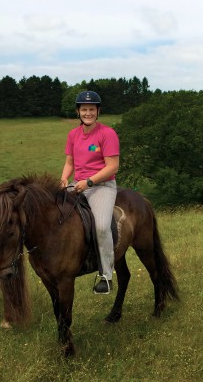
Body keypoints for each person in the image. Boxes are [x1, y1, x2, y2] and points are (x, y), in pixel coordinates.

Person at [60, 90, 119, 294]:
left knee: (102, 226)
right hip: (78, 183)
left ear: (98, 111)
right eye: (84, 109)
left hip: (102, 186)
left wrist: (90, 181)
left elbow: (112, 167)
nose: (88, 113)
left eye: (91, 109)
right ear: (78, 112)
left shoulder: (107, 134)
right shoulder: (73, 135)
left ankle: (106, 276)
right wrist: (63, 178)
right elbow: (70, 162)